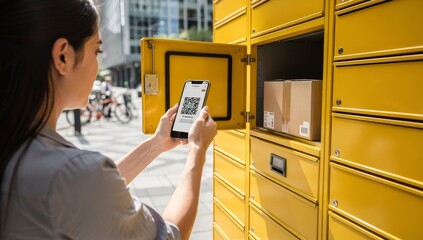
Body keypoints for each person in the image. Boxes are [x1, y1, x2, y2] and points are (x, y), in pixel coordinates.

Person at [0, 1, 217, 240]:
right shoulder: (71, 173)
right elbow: (171, 234)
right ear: (63, 56)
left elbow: (88, 194)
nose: (98, 64)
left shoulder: (20, 148)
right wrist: (197, 150)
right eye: (96, 50)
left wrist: (156, 144)